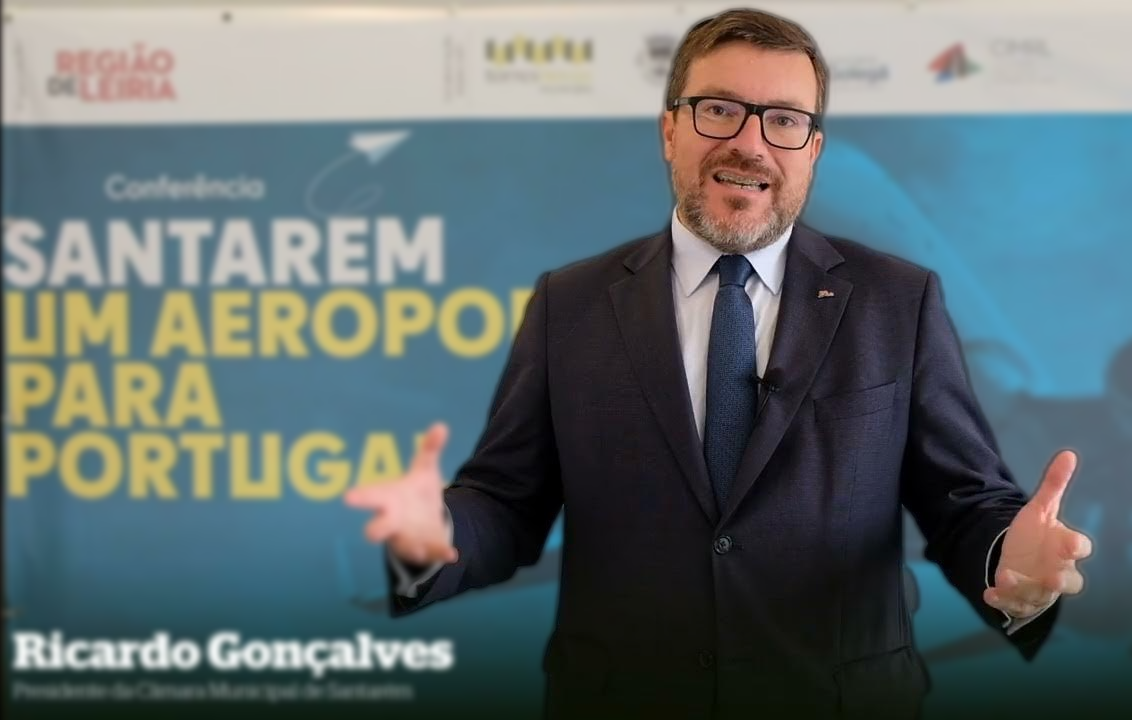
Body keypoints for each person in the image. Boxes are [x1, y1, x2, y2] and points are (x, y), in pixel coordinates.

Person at [345, 7, 1092, 719]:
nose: (750, 143)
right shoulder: (569, 304)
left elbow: (963, 501)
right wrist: (435, 533)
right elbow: (506, 502)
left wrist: (1011, 560)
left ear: (813, 149)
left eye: (784, 120)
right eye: (719, 110)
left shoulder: (899, 301)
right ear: (670, 130)